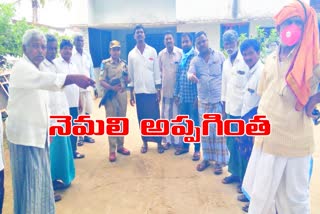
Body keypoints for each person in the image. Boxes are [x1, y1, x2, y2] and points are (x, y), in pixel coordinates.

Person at [242, 1, 320, 213]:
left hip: (295, 143)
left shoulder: (311, 59)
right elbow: (264, 96)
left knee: (294, 200)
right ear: (278, 28)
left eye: (297, 22)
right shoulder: (270, 59)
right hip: (267, 140)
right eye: (288, 22)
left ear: (305, 27)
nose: (292, 27)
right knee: (262, 197)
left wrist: (313, 101)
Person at [6, 29, 94, 214]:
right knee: (30, 184)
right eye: (36, 46)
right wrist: (74, 79)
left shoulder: (40, 67)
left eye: (43, 47)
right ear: (25, 48)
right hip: (25, 137)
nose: (41, 50)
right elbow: (47, 81)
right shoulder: (23, 67)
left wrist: (50, 129)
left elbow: (44, 102)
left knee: (40, 182)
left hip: (38, 134)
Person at [188, 31, 229, 174]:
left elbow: (227, 75)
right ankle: (206, 159)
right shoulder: (195, 60)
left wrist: (226, 101)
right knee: (205, 132)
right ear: (196, 45)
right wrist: (191, 76)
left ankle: (219, 162)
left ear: (207, 41)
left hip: (218, 100)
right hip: (203, 101)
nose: (201, 44)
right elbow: (189, 73)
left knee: (218, 132)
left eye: (203, 41)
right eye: (198, 43)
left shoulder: (220, 56)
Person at [44, 34, 76, 194]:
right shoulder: (40, 67)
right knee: (50, 152)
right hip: (49, 117)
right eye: (49, 48)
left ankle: (57, 178)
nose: (52, 51)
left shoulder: (53, 65)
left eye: (53, 48)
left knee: (61, 150)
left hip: (61, 113)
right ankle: (48, 186)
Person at [234, 39, 263, 212]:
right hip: (246, 120)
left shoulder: (262, 72)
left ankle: (256, 202)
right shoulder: (249, 70)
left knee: (258, 165)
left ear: (258, 52)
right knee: (250, 162)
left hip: (257, 124)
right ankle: (249, 194)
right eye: (244, 54)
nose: (247, 57)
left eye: (251, 53)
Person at [128, 24, 165, 154]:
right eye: (137, 32)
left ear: (145, 35)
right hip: (139, 92)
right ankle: (144, 142)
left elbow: (156, 71)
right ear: (134, 36)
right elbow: (131, 75)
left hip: (151, 91)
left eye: (141, 32)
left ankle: (159, 143)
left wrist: (158, 89)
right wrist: (131, 93)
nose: (139, 34)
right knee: (142, 118)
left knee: (155, 117)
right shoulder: (131, 54)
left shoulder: (152, 51)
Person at [221, 30, 249, 185]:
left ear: (237, 43)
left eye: (231, 43)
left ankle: (244, 179)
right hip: (230, 111)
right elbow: (224, 87)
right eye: (226, 43)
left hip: (242, 113)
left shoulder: (245, 60)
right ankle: (234, 173)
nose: (229, 46)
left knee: (242, 147)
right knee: (231, 143)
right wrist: (224, 110)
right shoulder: (225, 63)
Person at [100, 40, 131, 162]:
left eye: (118, 49)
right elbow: (101, 81)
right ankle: (112, 150)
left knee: (121, 120)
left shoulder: (124, 63)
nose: (116, 51)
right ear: (110, 51)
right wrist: (112, 87)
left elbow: (128, 80)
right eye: (114, 49)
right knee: (113, 121)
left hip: (122, 95)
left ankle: (120, 146)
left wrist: (126, 78)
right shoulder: (105, 64)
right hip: (110, 95)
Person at [54, 39, 86, 159]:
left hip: (73, 102)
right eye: (65, 48)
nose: (67, 51)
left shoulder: (73, 65)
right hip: (61, 104)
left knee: (74, 128)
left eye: (69, 48)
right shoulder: (55, 64)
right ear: (60, 50)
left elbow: (76, 83)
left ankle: (73, 151)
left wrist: (79, 100)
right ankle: (64, 154)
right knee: (64, 129)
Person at [173, 33, 201, 161]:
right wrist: (176, 94)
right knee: (184, 123)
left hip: (193, 98)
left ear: (192, 42)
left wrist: (198, 97)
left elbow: (199, 78)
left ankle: (196, 150)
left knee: (195, 123)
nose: (184, 44)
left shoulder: (196, 56)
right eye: (183, 42)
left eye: (187, 42)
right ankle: (185, 147)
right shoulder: (182, 57)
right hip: (183, 97)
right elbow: (178, 77)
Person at [158, 31, 182, 150]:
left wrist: (180, 93)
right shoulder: (161, 54)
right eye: (166, 39)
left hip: (176, 92)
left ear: (173, 40)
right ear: (164, 41)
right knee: (165, 117)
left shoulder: (179, 53)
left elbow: (182, 73)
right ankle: (167, 140)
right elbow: (159, 72)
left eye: (170, 39)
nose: (168, 41)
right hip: (165, 91)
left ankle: (177, 141)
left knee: (176, 117)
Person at [72, 34, 95, 145]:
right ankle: (79, 137)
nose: (80, 42)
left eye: (81, 40)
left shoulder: (87, 55)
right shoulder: (72, 56)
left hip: (87, 89)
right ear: (74, 42)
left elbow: (90, 70)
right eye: (78, 40)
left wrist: (93, 85)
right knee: (79, 113)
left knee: (87, 113)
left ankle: (86, 135)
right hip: (77, 89)